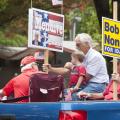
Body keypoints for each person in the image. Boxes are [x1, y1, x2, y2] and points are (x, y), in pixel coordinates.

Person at [43, 33, 109, 101]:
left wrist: (73, 68)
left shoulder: (95, 56)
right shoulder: (81, 55)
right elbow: (68, 71)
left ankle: (69, 111)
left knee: (74, 96)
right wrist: (51, 69)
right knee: (64, 93)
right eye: (76, 44)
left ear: (87, 44)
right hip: (87, 84)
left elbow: (86, 76)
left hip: (97, 85)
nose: (76, 46)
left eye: (78, 44)